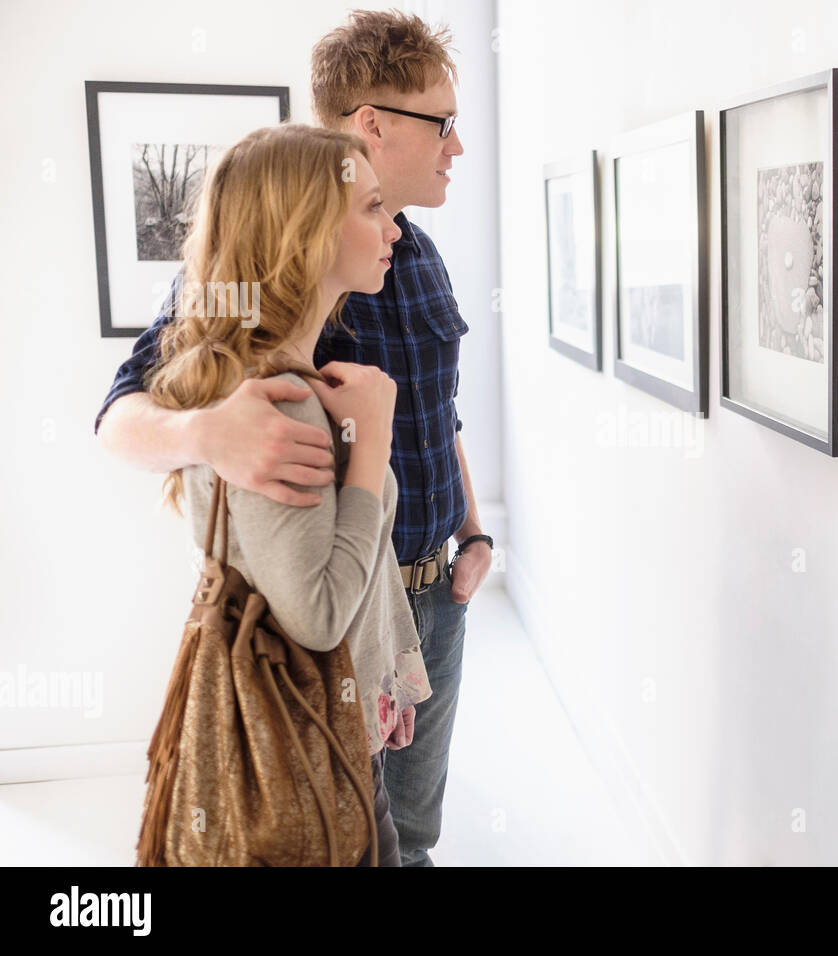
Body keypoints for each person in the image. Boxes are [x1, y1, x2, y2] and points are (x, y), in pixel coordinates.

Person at [94, 10, 488, 866]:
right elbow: (119, 418)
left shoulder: (413, 253)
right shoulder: (264, 279)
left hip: (428, 597)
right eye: (443, 122)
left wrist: (472, 530)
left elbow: (438, 409)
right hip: (333, 618)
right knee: (336, 831)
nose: (457, 145)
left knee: (406, 838)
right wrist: (208, 431)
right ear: (373, 124)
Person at [145, 122, 428, 866]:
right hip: (315, 748)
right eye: (371, 208)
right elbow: (318, 614)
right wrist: (372, 444)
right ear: (305, 233)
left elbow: (342, 567)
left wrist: (389, 675)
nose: (393, 228)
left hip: (338, 728)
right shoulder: (276, 403)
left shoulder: (286, 379)